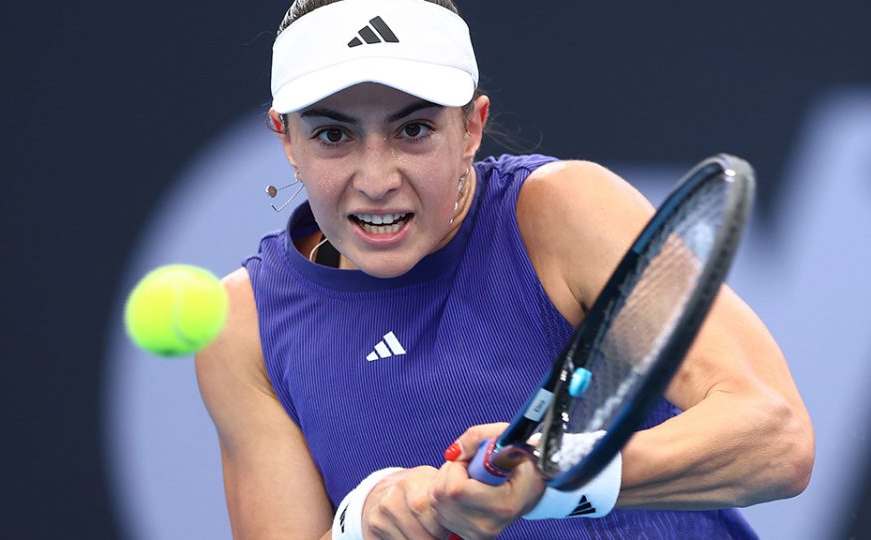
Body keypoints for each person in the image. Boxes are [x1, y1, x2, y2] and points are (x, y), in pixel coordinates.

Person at [195, 0, 815, 538]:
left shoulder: (561, 211)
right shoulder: (243, 326)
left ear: (471, 127)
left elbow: (776, 440)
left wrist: (554, 475)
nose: (377, 181)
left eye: (413, 129)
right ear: (285, 139)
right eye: (334, 136)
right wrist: (364, 521)